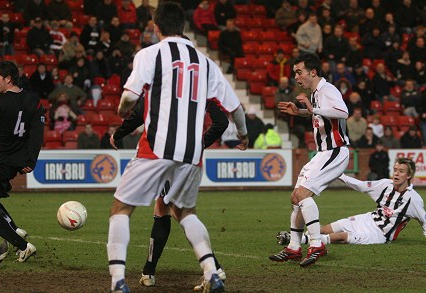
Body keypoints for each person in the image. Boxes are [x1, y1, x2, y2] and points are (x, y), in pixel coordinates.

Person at [106, 2, 248, 292]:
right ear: (183, 27)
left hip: (156, 147)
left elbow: (130, 96)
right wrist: (243, 136)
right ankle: (211, 272)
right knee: (185, 212)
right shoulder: (206, 62)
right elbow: (237, 110)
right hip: (191, 153)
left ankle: (118, 280)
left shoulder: (150, 54)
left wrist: (122, 111)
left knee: (121, 208)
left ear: (156, 27)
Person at [109, 96, 229, 290]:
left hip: (165, 153)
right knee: (162, 208)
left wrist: (119, 133)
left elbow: (137, 112)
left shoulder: (161, 83)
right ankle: (148, 273)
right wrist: (200, 144)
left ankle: (213, 269)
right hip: (189, 156)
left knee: (177, 212)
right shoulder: (199, 86)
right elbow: (222, 122)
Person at [274, 53, 350, 267]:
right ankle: (294, 247)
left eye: (299, 72)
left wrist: (311, 108)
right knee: (295, 198)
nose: (296, 77)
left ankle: (316, 244)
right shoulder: (316, 93)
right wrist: (300, 112)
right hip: (325, 152)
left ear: (313, 72)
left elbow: (343, 112)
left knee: (301, 194)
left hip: (335, 150)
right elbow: (321, 115)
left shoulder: (327, 90)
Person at [277, 158, 426, 246]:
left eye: (401, 171)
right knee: (325, 228)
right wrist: (337, 174)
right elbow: (360, 185)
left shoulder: (413, 199)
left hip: (380, 234)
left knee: (342, 236)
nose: (396, 174)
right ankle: (295, 237)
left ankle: (296, 240)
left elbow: (424, 221)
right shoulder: (385, 185)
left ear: (408, 175)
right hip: (367, 218)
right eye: (395, 170)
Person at [0, 61, 44, 268]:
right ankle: (14, 230)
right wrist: (30, 160)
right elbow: (36, 134)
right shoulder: (34, 101)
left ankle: (22, 245)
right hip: (13, 164)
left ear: (8, 78)